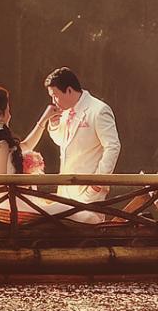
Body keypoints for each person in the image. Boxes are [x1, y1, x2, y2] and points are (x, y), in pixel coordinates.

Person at [20, 67, 119, 221]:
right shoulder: (66, 111)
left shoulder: (98, 110)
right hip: (66, 189)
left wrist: (98, 182)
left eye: (55, 96)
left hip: (89, 190)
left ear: (69, 90)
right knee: (66, 233)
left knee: (90, 231)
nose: (53, 101)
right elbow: (63, 143)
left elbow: (113, 146)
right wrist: (53, 125)